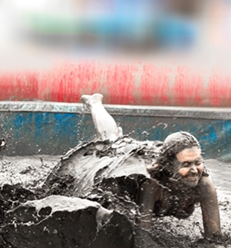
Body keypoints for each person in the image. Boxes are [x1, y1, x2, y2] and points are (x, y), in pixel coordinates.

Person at [71, 93, 221, 239]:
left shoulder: (204, 184)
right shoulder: (152, 183)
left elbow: (214, 237)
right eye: (186, 164)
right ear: (168, 166)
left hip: (160, 155)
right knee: (113, 141)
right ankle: (95, 103)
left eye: (198, 162)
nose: (194, 170)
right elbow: (143, 235)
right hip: (135, 157)